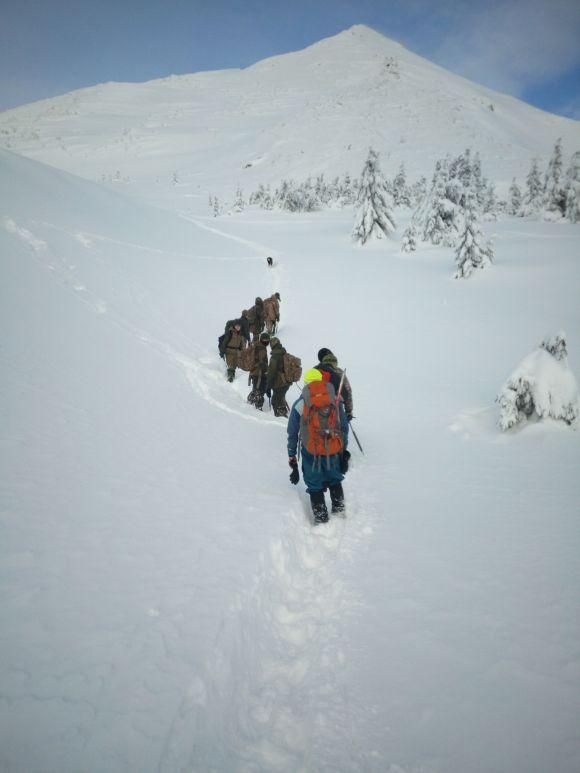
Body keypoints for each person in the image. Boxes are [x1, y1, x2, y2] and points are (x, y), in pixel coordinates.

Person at [287, 368, 349, 523]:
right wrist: (343, 451)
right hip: (333, 448)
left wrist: (292, 457)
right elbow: (343, 428)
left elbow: (292, 433)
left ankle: (321, 519)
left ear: (306, 384)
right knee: (335, 478)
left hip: (310, 451)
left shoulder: (300, 404)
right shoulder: (335, 400)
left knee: (314, 484)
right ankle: (339, 511)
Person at [314, 348, 354, 420]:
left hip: (315, 405)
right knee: (343, 428)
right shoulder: (339, 372)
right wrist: (349, 411)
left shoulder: (315, 370)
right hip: (335, 405)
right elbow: (347, 391)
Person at [266, 336, 290, 417]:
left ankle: (281, 418)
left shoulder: (275, 356)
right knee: (280, 399)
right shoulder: (284, 353)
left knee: (275, 401)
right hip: (286, 382)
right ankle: (283, 415)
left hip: (279, 383)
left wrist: (268, 387)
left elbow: (271, 373)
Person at [248, 332, 270, 410]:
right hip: (259, 373)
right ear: (261, 339)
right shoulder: (261, 348)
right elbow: (261, 362)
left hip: (254, 372)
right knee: (259, 391)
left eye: (267, 339)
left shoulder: (256, 345)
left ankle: (250, 403)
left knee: (256, 389)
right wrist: (266, 369)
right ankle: (258, 407)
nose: (266, 341)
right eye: (264, 339)